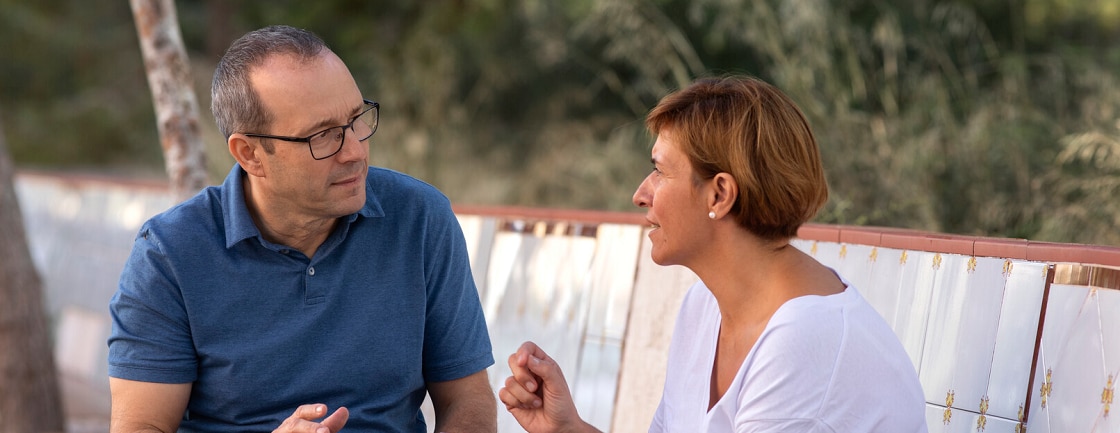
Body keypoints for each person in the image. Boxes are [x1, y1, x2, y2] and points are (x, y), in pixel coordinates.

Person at [107, 25, 496, 433]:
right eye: (323, 136)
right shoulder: (169, 254)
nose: (355, 151)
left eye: (356, 119)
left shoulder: (421, 219)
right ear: (250, 154)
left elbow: (468, 400)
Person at [498, 76, 928, 432]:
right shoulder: (703, 308)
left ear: (720, 194)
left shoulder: (804, 341)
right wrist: (567, 428)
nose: (640, 194)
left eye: (659, 171)